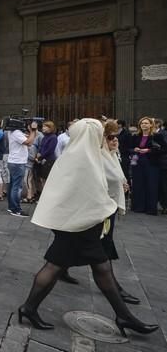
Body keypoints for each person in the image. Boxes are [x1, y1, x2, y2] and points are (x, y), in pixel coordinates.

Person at [18, 119, 158, 338]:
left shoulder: (73, 156)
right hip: (79, 225)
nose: (105, 137)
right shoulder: (86, 159)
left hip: (76, 223)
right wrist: (108, 205)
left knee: (93, 266)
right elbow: (94, 193)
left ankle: (123, 316)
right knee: (64, 266)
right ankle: (29, 308)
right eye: (102, 134)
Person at [101, 120, 139, 304]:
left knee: (68, 248)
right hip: (101, 210)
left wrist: (122, 183)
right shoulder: (99, 157)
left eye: (116, 137)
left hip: (110, 206)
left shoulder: (112, 155)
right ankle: (114, 287)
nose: (115, 141)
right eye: (110, 138)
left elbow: (117, 175)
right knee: (102, 247)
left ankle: (62, 268)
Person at [129, 117, 160, 215]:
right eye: (142, 123)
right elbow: (128, 148)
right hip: (137, 163)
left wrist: (149, 150)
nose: (144, 125)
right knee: (138, 185)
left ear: (151, 125)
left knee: (151, 185)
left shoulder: (156, 136)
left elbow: (162, 149)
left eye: (146, 123)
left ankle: (150, 209)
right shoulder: (136, 136)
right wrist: (135, 149)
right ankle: (139, 207)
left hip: (151, 164)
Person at [6, 122, 38, 217]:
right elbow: (29, 142)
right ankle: (16, 209)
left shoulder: (12, 132)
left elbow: (29, 138)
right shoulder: (17, 133)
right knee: (17, 187)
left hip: (13, 161)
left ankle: (11, 207)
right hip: (18, 162)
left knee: (12, 185)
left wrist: (31, 132)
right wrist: (33, 130)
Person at [35, 121, 58, 192]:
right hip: (42, 160)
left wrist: (41, 155)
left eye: (45, 126)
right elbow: (41, 147)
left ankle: (46, 196)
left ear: (50, 128)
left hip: (49, 160)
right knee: (42, 178)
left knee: (46, 179)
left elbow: (50, 150)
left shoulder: (53, 137)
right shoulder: (45, 137)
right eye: (43, 126)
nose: (43, 128)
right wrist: (38, 154)